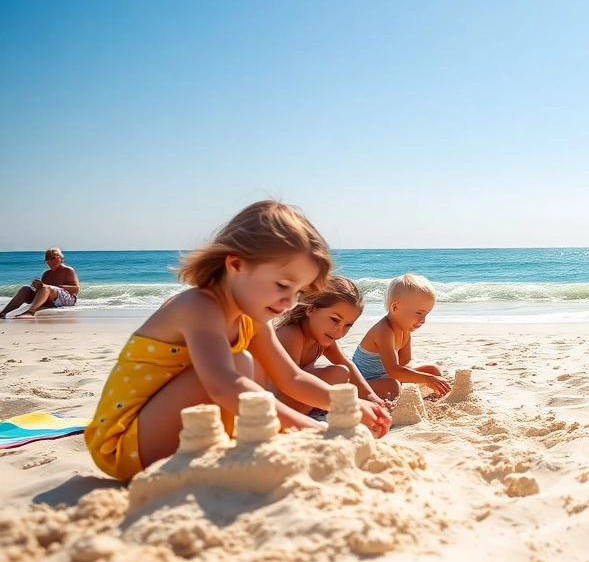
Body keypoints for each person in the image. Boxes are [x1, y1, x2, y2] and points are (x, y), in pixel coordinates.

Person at [84, 201, 389, 481]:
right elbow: (223, 386)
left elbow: (293, 378)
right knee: (238, 364)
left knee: (246, 363)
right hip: (127, 442)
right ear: (236, 265)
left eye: (297, 292)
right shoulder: (198, 307)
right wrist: (311, 429)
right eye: (282, 285)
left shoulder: (251, 320)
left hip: (189, 433)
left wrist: (352, 404)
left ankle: (232, 449)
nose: (287, 301)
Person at [271, 275, 391, 434]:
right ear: (310, 309)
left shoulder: (323, 337)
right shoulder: (292, 334)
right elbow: (288, 382)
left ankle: (322, 410)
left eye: (348, 325)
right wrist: (348, 403)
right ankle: (314, 414)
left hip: (304, 398)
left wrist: (371, 396)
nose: (340, 331)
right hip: (278, 403)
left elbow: (347, 362)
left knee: (388, 385)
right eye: (335, 320)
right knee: (338, 373)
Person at [350, 273, 451, 403]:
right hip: (365, 382)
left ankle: (429, 400)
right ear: (395, 307)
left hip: (388, 377)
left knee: (432, 370)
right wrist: (425, 379)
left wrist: (427, 376)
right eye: (418, 313)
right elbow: (394, 371)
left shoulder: (405, 329)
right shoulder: (384, 331)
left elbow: (406, 363)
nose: (423, 320)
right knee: (393, 386)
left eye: (426, 314)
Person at [1, 248, 80, 318]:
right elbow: (43, 290)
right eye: (47, 261)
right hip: (49, 300)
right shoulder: (47, 274)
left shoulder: (68, 270)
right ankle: (3, 312)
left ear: (59, 258)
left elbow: (76, 289)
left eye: (52, 259)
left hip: (67, 300)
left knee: (46, 287)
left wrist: (54, 287)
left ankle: (31, 311)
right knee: (25, 289)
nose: (49, 262)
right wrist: (37, 286)